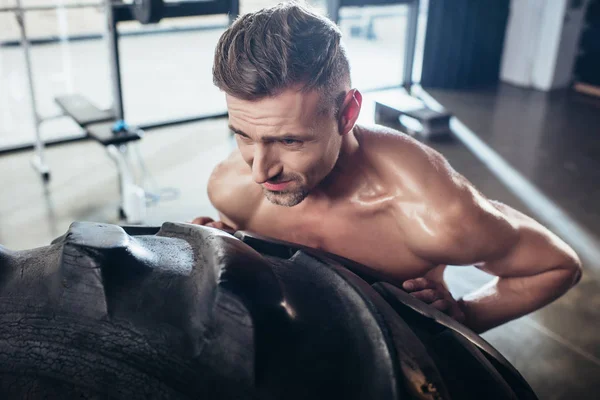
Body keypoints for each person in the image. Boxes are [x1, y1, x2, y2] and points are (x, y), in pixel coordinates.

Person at [192, 2, 581, 333]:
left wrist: (465, 315)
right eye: (243, 135)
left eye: (289, 141)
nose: (260, 172)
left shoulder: (436, 215)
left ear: (347, 114)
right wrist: (229, 248)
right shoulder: (232, 189)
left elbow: (556, 266)